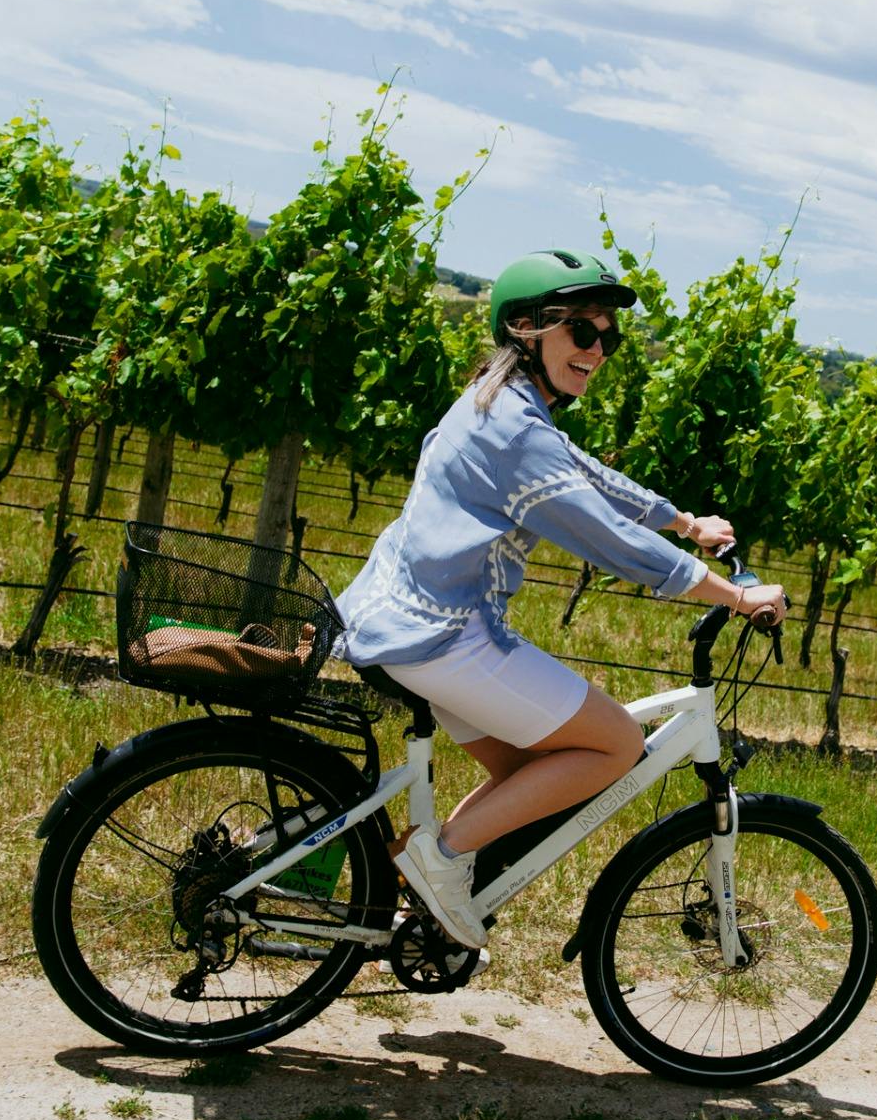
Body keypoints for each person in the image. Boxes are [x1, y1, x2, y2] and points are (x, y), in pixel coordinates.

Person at [334, 247, 786, 950]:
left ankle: (420, 889)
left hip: (399, 618)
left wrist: (683, 521)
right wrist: (733, 595)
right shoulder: (516, 429)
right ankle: (438, 859)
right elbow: (602, 534)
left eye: (609, 336)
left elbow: (587, 475)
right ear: (526, 327)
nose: (598, 349)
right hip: (445, 635)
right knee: (614, 747)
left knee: (531, 777)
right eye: (582, 330)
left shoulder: (499, 399)